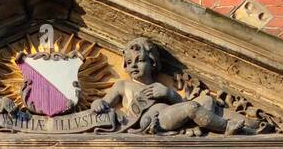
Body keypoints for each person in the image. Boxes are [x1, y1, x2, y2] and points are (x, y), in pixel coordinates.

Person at [93, 36, 249, 135]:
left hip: (169, 114)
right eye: (129, 62)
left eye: (139, 61)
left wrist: (168, 93)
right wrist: (97, 103)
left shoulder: (160, 86)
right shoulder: (122, 85)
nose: (133, 66)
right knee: (192, 108)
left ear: (152, 63)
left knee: (206, 101)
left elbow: (181, 104)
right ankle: (225, 127)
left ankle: (200, 125)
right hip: (152, 120)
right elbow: (104, 103)